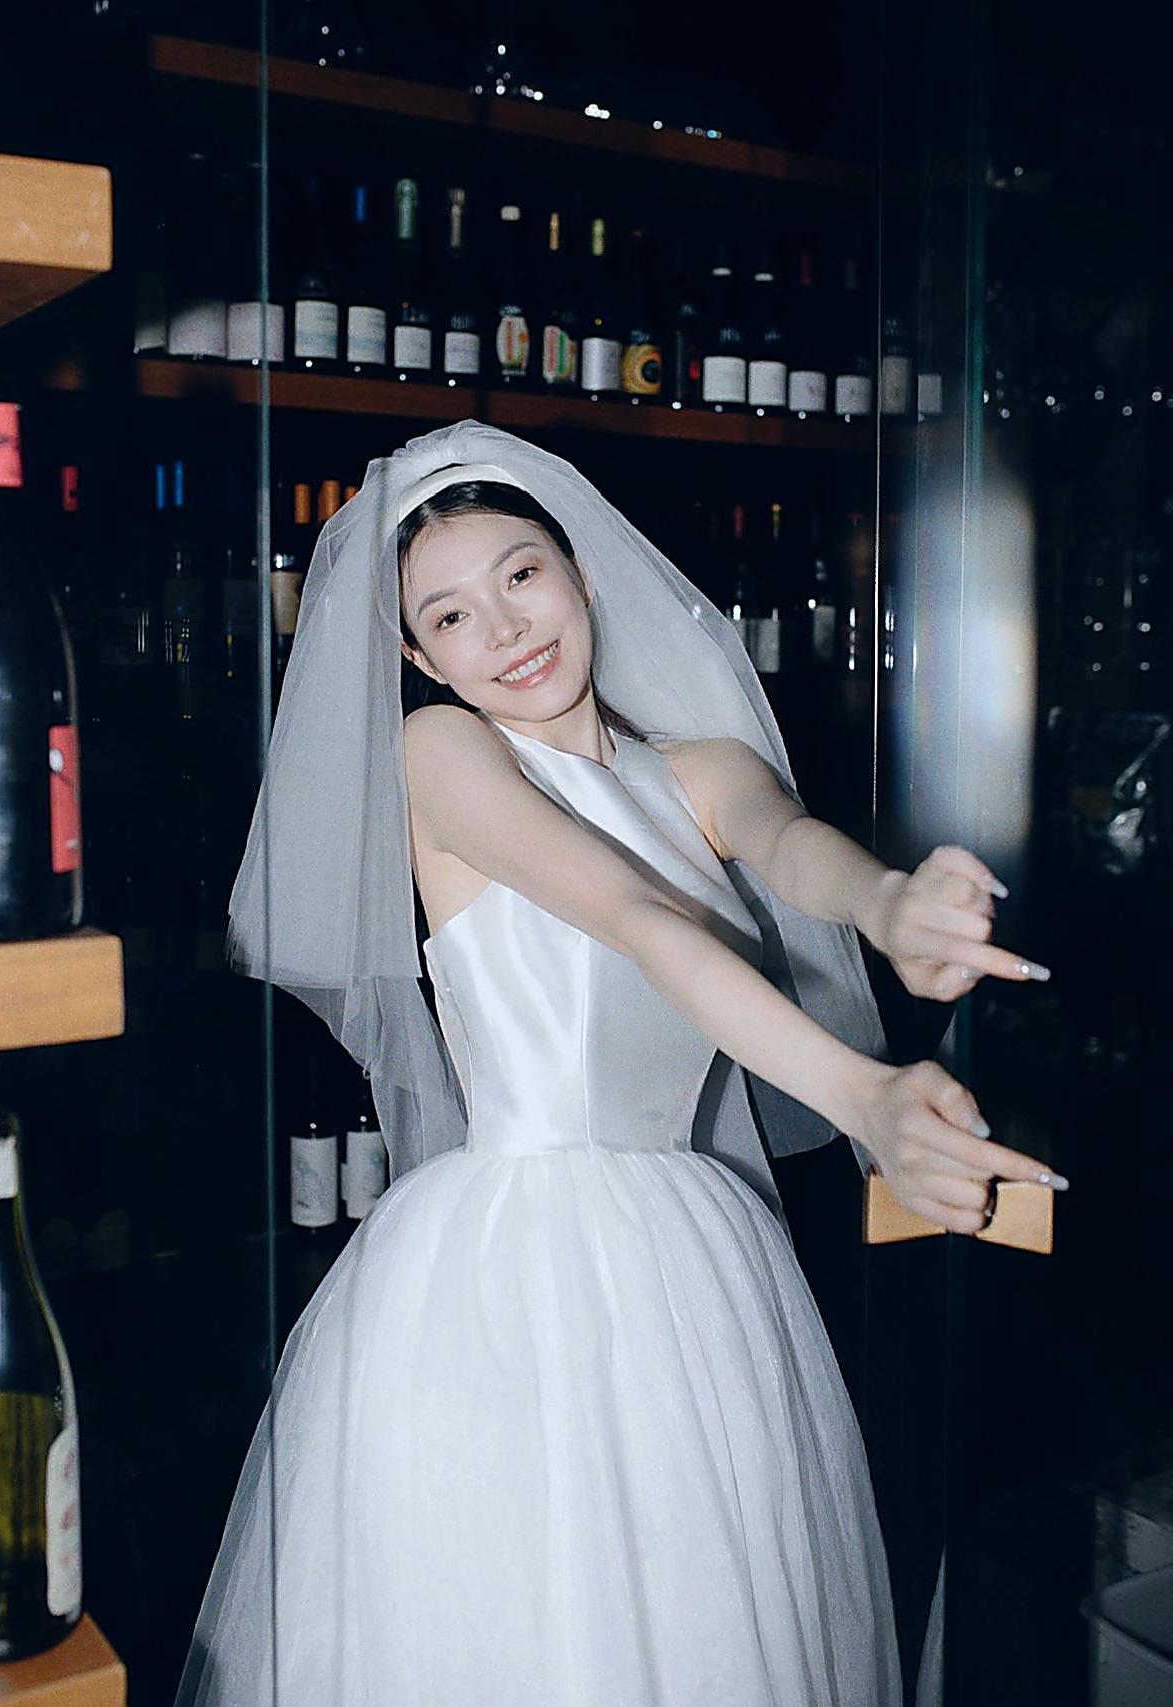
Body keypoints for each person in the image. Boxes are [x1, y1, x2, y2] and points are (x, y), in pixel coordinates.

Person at [173, 422, 1066, 1706]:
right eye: (450, 616)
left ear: (581, 573)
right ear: (419, 660)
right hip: (513, 1265)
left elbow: (789, 845)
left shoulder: (699, 771)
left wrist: (888, 904)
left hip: (692, 1248)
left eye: (521, 574)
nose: (504, 629)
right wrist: (864, 1096)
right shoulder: (445, 756)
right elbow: (643, 920)